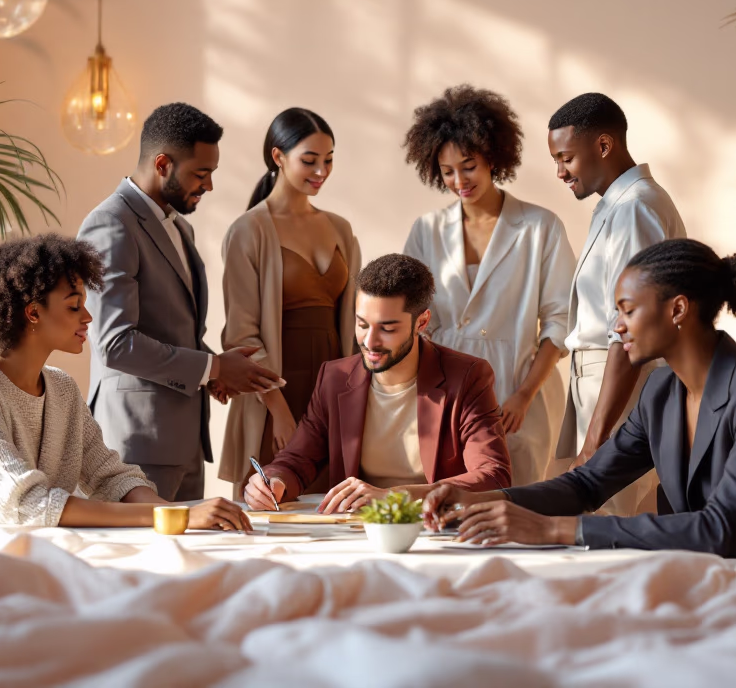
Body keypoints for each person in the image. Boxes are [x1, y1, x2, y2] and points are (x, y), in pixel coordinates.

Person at [422, 238, 736, 568]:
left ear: (677, 309)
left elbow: (720, 528)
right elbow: (586, 485)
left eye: (626, 310)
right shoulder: (661, 391)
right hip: (711, 569)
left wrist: (552, 529)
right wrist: (484, 501)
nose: (617, 326)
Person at [0, 235, 251, 532]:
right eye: (73, 306)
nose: (88, 317)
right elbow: (20, 503)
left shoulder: (62, 388)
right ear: (33, 313)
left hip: (39, 546)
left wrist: (175, 517)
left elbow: (110, 477)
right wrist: (172, 517)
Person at [78, 102, 281, 501]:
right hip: (135, 445)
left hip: (185, 441)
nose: (208, 186)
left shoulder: (180, 227)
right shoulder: (110, 224)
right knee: (140, 563)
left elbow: (174, 328)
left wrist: (215, 372)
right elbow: (115, 343)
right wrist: (214, 365)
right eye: (200, 174)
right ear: (162, 164)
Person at [243, 254, 511, 514]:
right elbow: (297, 460)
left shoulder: (467, 376)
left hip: (431, 530)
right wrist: (273, 482)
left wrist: (392, 497)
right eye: (362, 324)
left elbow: (493, 476)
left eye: (388, 329)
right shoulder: (335, 378)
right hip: (355, 532)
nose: (370, 341)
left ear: (422, 322)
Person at [402, 85, 574, 485]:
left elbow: (560, 321)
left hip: (519, 392)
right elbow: (409, 317)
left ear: (492, 157)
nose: (459, 180)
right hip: (444, 395)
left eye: (469, 166)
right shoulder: (426, 231)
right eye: (447, 171)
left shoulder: (539, 227)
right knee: (446, 510)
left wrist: (524, 395)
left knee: (522, 509)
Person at [549, 92, 686, 515]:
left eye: (566, 158)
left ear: (603, 146)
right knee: (586, 520)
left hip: (619, 383)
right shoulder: (619, 205)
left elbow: (630, 327)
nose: (559, 172)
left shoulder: (634, 207)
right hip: (598, 383)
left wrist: (596, 440)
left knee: (609, 527)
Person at [219, 108, 361, 495]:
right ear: (278, 157)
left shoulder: (340, 229)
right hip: (275, 394)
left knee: (334, 508)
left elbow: (355, 322)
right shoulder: (248, 230)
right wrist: (279, 412)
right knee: (270, 505)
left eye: (329, 160)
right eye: (310, 160)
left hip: (332, 392)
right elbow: (241, 336)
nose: (322, 171)